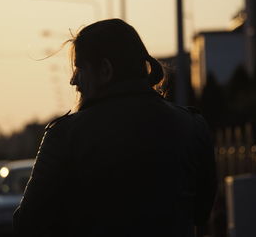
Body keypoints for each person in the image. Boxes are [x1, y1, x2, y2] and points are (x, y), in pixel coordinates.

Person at [13, 19, 216, 237]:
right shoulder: (192, 126)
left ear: (105, 70)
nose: (73, 81)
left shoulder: (65, 135)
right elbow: (201, 213)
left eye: (79, 68)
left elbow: (28, 224)